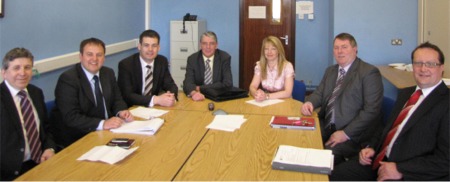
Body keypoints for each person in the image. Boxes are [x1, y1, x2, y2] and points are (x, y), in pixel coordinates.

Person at [330, 42, 449, 181]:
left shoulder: (446, 103)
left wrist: (400, 169)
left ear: (441, 68)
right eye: (418, 63)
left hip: (408, 172)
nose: (423, 69)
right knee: (336, 174)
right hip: (378, 160)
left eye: (430, 64)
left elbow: (445, 160)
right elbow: (388, 129)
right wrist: (372, 148)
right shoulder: (406, 93)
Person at [300, 33, 383, 165]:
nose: (340, 51)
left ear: (355, 49)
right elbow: (319, 93)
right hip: (327, 124)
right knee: (300, 139)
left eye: (344, 47)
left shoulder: (369, 73)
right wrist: (309, 102)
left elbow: (371, 110)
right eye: (336, 47)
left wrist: (345, 133)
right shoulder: (331, 71)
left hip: (352, 134)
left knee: (321, 159)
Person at [52, 38, 133, 148]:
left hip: (109, 132)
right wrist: (102, 124)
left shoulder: (108, 73)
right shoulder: (68, 79)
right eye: (89, 54)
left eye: (99, 55)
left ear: (104, 57)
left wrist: (121, 111)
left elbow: (117, 99)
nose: (94, 59)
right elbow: (71, 117)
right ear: (81, 56)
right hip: (81, 137)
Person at [0, 48, 56, 180]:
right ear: (4, 72)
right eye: (16, 68)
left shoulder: (36, 93)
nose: (22, 73)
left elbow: (46, 129)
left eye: (27, 67)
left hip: (40, 163)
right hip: (9, 172)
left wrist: (50, 148)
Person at [118, 29, 178, 107]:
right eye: (146, 45)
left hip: (154, 109)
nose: (150, 49)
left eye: (154, 46)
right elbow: (127, 95)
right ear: (139, 46)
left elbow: (170, 85)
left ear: (158, 48)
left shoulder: (162, 61)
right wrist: (155, 99)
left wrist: (170, 97)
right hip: (132, 109)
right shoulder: (126, 65)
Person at [183, 31, 233, 101]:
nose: (208, 47)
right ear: (200, 45)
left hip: (218, 97)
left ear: (216, 45)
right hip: (198, 97)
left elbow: (228, 84)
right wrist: (194, 93)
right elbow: (187, 83)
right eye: (204, 43)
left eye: (211, 44)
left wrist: (200, 88)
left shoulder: (224, 58)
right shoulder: (192, 59)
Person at [249, 36, 294, 102]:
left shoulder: (287, 66)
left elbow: (287, 92)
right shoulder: (260, 65)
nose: (269, 52)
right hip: (265, 101)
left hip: (283, 100)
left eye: (273, 49)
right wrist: (257, 94)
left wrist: (267, 96)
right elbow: (252, 86)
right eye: (266, 49)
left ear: (278, 51)